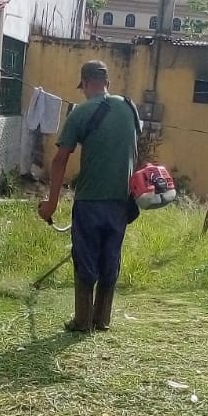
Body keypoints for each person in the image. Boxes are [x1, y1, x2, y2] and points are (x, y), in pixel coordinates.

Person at [38, 60, 140, 332]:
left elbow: (60, 160)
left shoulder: (81, 112)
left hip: (90, 202)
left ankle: (82, 321)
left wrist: (50, 203)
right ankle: (102, 319)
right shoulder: (130, 108)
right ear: (107, 82)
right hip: (121, 202)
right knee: (110, 257)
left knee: (85, 259)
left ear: (84, 82)